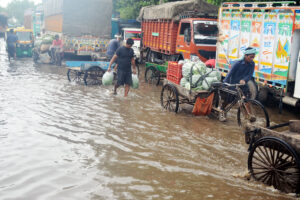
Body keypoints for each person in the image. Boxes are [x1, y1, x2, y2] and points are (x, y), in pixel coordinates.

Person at [220, 47, 256, 121]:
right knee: (228, 100)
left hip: (243, 85)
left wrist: (244, 80)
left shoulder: (252, 64)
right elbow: (230, 74)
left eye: (253, 57)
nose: (252, 59)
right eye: (250, 57)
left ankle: (248, 116)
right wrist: (224, 84)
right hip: (233, 84)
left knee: (247, 100)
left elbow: (250, 75)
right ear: (245, 55)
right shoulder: (237, 63)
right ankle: (222, 111)